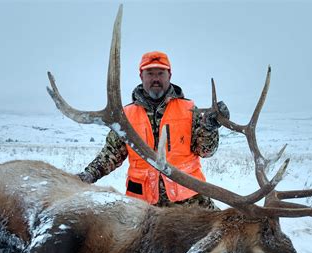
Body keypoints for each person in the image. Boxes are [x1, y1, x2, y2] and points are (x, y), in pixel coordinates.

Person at [77, 51, 229, 209]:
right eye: (150, 73)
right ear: (141, 76)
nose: (155, 78)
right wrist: (89, 175)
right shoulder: (126, 116)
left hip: (191, 203)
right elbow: (110, 154)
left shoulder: (189, 109)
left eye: (161, 73)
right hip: (143, 207)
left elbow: (206, 151)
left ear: (169, 75)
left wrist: (210, 127)